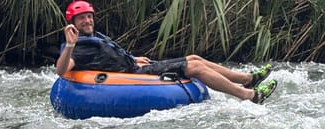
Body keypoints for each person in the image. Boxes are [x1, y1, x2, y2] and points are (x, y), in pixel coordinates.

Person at [55, 1, 277, 104]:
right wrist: (71, 44)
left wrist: (132, 58)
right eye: (82, 18)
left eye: (89, 16)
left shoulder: (96, 36)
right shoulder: (78, 45)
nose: (87, 20)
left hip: (134, 67)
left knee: (194, 58)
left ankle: (248, 79)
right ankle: (249, 96)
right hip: (133, 76)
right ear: (73, 22)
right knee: (195, 67)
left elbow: (109, 56)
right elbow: (61, 70)